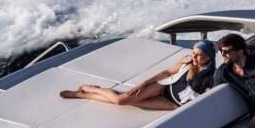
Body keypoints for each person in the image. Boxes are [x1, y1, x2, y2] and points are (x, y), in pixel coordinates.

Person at [59, 40, 216, 109]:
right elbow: (167, 72)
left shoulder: (211, 75)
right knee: (120, 100)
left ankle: (83, 95)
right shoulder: (187, 62)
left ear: (209, 57)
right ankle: (90, 89)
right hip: (162, 88)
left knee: (128, 102)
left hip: (172, 103)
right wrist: (144, 83)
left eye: (199, 55)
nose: (195, 57)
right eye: (194, 53)